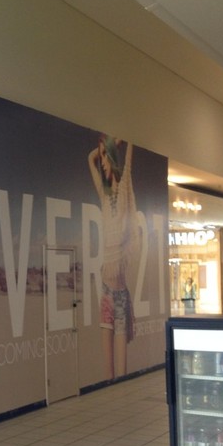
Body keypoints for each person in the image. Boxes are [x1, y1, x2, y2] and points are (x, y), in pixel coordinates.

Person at [88, 135, 138, 380]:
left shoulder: (124, 190)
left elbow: (129, 157)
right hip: (106, 291)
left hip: (121, 294)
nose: (103, 164)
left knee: (122, 374)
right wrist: (104, 149)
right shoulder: (104, 196)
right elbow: (90, 159)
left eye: (106, 158)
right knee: (108, 374)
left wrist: (116, 145)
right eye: (102, 159)